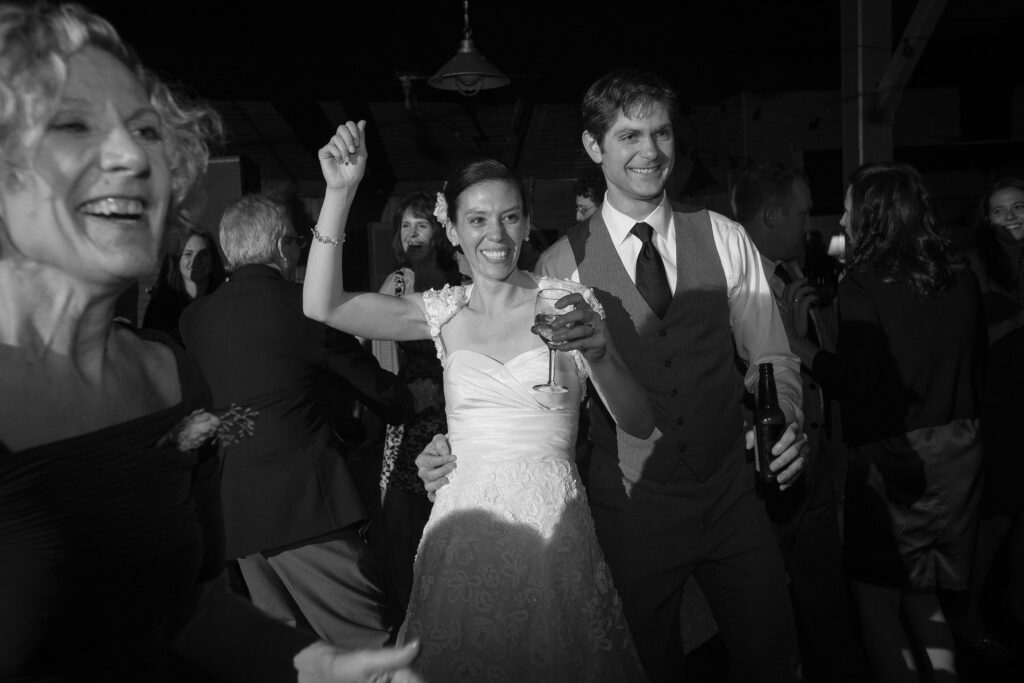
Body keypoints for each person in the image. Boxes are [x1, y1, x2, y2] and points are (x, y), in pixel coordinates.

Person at [0, 3, 423, 681]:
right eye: (74, 125)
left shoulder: (168, 377)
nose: (129, 156)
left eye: (144, 130)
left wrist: (318, 663)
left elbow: (188, 608)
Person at [420, 68, 810, 682]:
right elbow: (510, 383)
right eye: (629, 136)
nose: (650, 151)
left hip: (732, 495)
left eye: (661, 133)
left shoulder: (727, 238)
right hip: (629, 509)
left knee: (773, 656)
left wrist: (783, 413)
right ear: (594, 147)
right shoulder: (557, 266)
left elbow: (771, 356)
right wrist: (453, 449)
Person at [303, 120, 655, 681]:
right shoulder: (442, 312)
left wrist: (604, 354)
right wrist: (340, 193)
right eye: (478, 220)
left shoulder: (568, 303)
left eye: (509, 216)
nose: (497, 234)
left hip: (553, 535)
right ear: (455, 231)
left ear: (526, 222)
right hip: (462, 535)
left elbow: (638, 421)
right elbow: (323, 305)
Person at [180, 193, 430, 649]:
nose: (298, 253)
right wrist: (415, 399)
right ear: (281, 246)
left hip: (231, 516)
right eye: (296, 242)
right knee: (371, 647)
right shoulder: (305, 306)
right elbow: (372, 386)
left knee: (288, 654)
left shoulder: (195, 318)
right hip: (305, 510)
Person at [787, 162, 984, 682]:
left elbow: (858, 380)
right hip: (960, 449)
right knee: (924, 590)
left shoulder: (865, 284)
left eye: (850, 211)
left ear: (874, 216)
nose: (843, 224)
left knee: (874, 601)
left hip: (897, 459)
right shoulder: (960, 274)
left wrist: (798, 347)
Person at [732, 162, 867, 682]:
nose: (810, 224)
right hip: (763, 479)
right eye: (803, 211)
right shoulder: (735, 283)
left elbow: (830, 368)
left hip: (814, 474)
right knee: (766, 618)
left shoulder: (796, 274)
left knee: (827, 610)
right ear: (771, 216)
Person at [375, 190, 463, 624]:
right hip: (408, 415)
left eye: (421, 225)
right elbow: (375, 353)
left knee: (448, 514)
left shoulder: (458, 279)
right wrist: (402, 396)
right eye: (405, 225)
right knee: (400, 525)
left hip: (452, 412)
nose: (412, 233)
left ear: (439, 233)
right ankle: (407, 614)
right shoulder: (395, 283)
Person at [956, 176, 1024, 654]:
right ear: (986, 218)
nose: (1012, 217)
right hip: (1000, 403)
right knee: (997, 515)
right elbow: (972, 340)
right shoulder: (977, 263)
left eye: (1019, 207)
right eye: (1000, 211)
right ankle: (967, 611)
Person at [142, 226, 225, 343]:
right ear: (177, 260)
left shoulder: (224, 301)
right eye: (188, 254)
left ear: (213, 260)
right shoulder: (159, 306)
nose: (196, 261)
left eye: (204, 254)